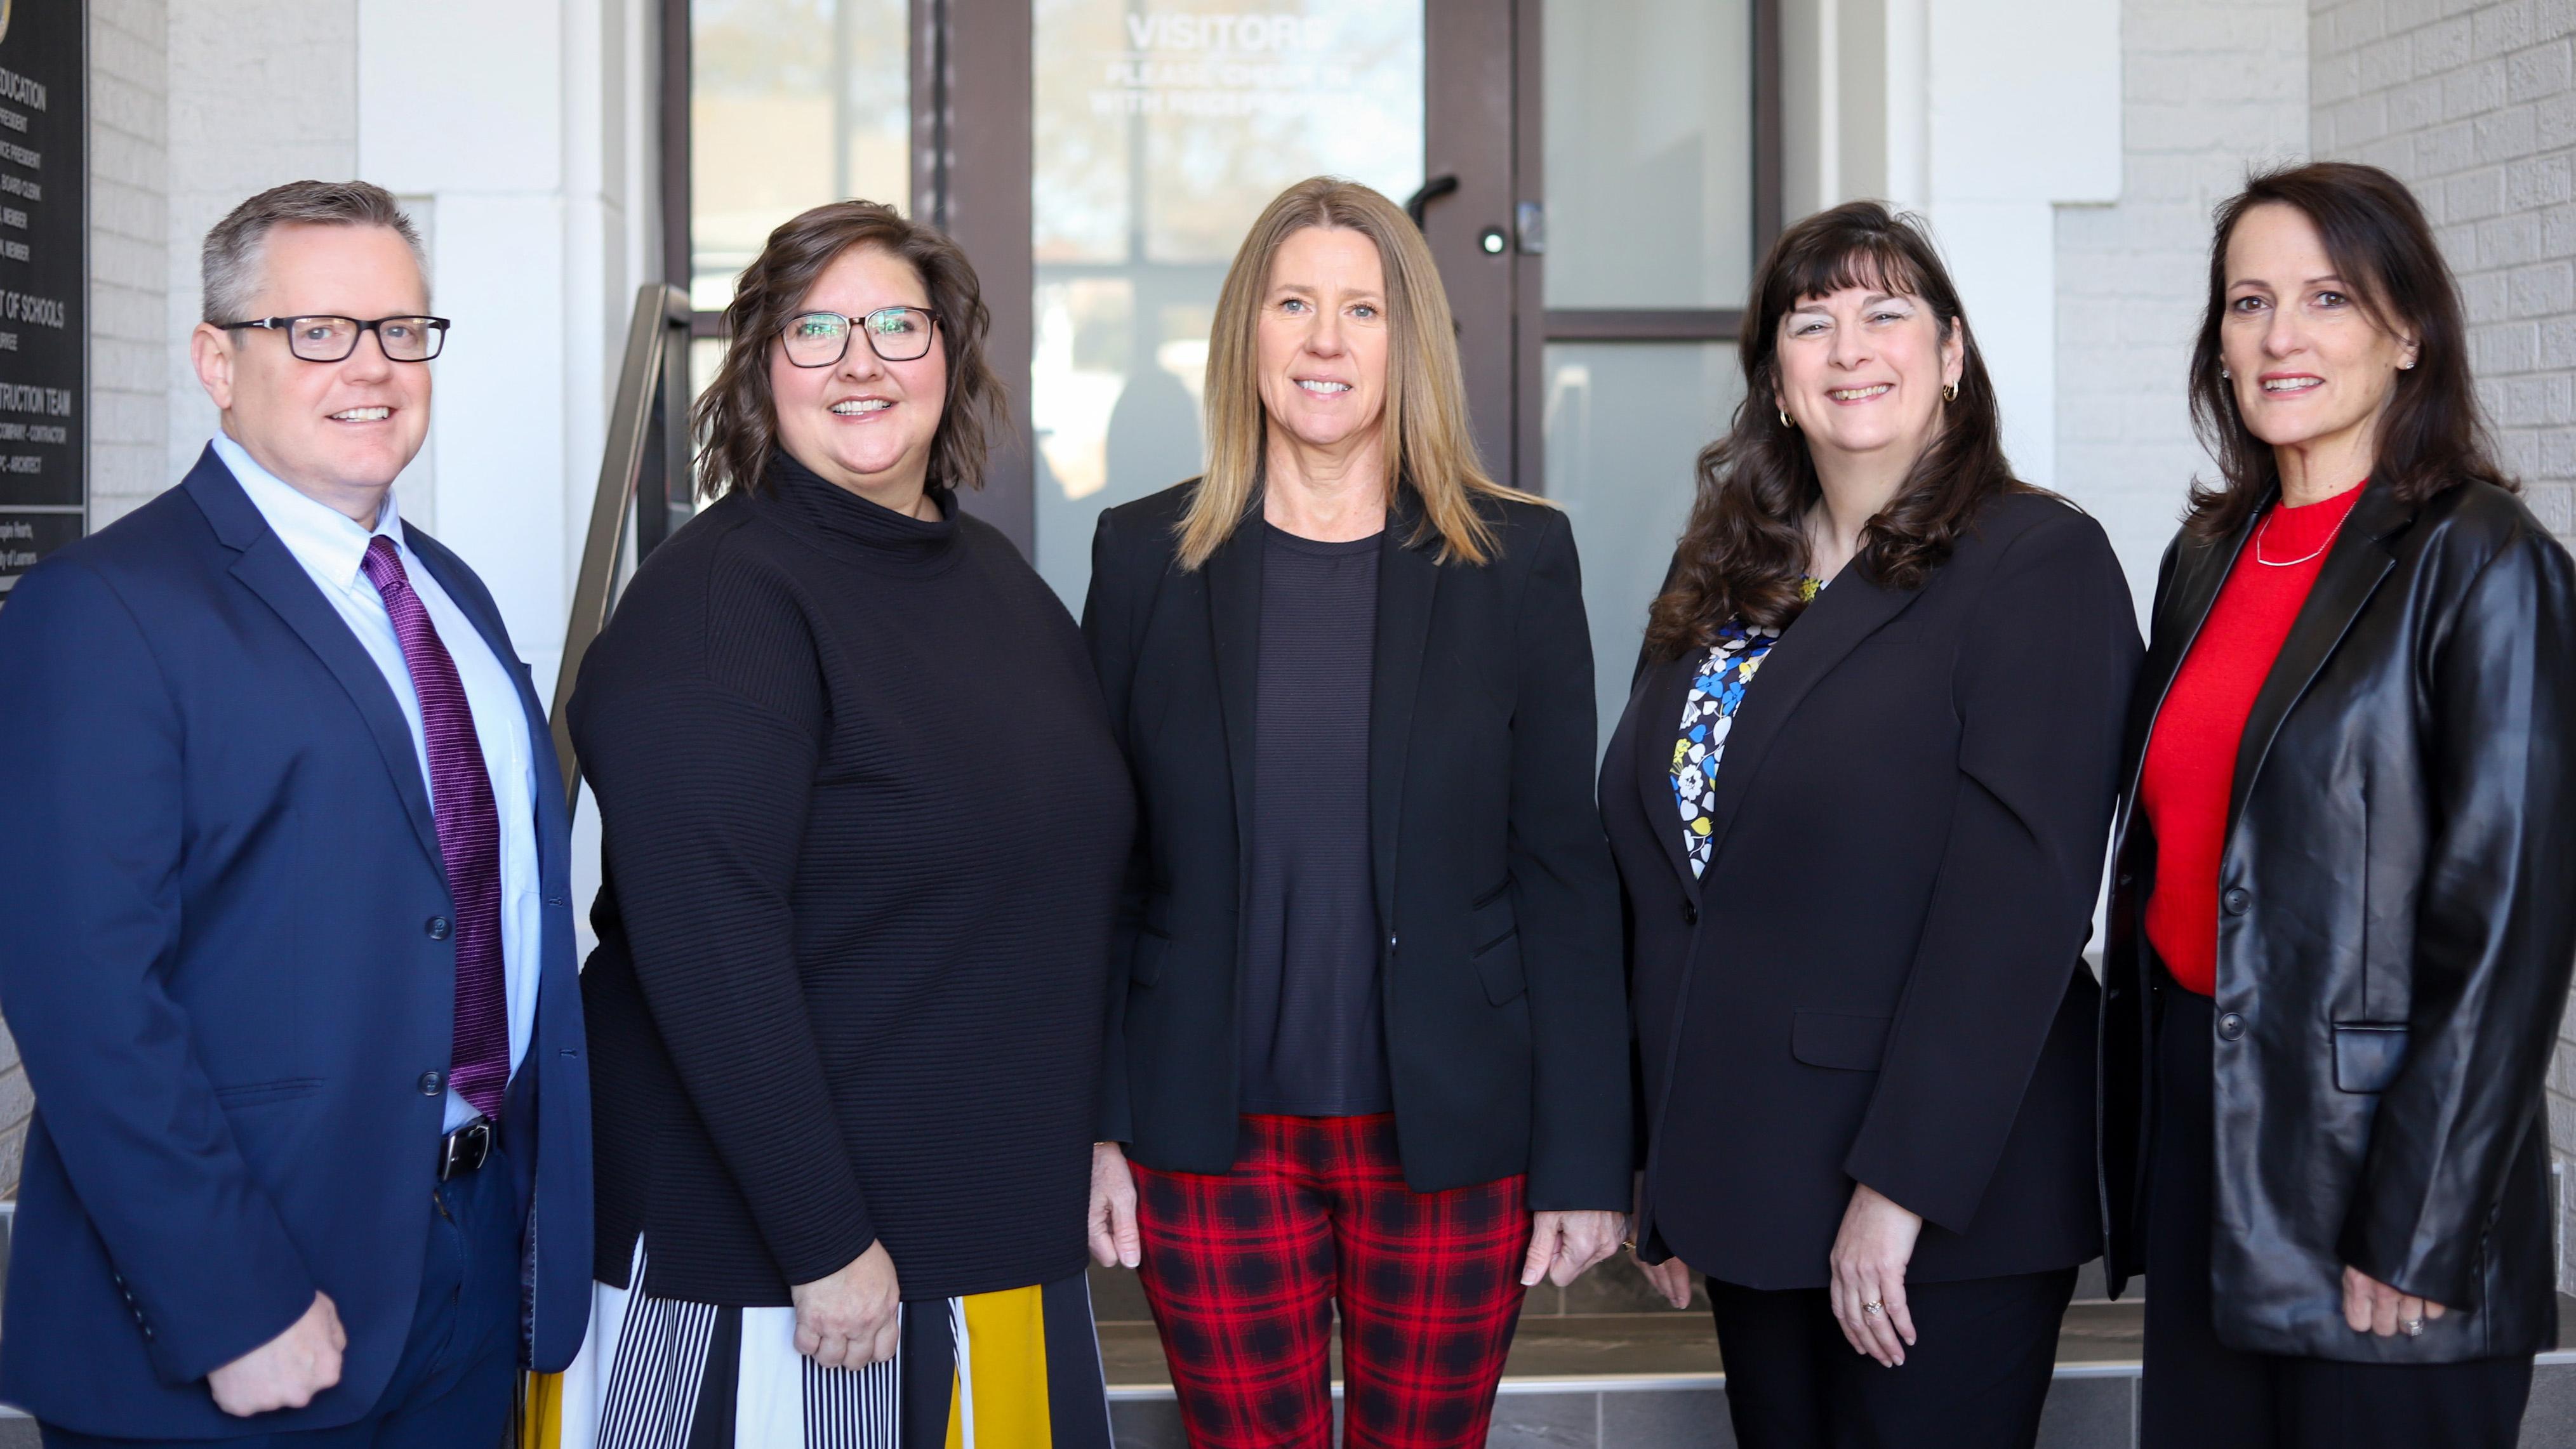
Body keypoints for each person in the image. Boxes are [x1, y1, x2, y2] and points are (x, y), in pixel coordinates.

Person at [0, 180, 592, 1443]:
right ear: (218, 360)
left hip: (468, 1265)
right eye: (316, 330)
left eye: (401, 329)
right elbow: (84, 996)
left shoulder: (453, 596)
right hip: (243, 1311)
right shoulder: (101, 610)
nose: (371, 366)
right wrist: (231, 1303)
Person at [556, 201, 1134, 1449]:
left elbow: (1069, 886)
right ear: (763, 369)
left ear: (948, 353)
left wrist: (1096, 1121)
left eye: (894, 324)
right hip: (776, 1269)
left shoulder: (994, 581)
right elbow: (707, 939)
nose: (860, 360)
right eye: (815, 330)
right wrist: (823, 1237)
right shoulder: (716, 607)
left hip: (991, 1239)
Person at [1080, 176, 1632, 1449]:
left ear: (1410, 339)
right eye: (1293, 303)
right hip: (1203, 1134)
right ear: (1247, 333)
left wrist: (1587, 1158)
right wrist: (1097, 1120)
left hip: (1451, 1125)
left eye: (1362, 309)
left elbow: (1563, 871)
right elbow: (1103, 872)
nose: (1325, 339)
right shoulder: (1142, 559)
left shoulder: (1519, 561)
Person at [1600, 201, 2141, 1449]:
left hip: (1936, 1192)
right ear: (1777, 381)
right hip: (1748, 1169)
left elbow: (2019, 898)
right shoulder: (1727, 578)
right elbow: (1668, 877)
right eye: (1812, 320)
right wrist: (1663, 1163)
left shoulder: (2036, 563)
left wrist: (1899, 1189)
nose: (1851, 347)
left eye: (1886, 312)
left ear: (1951, 355)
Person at [2102, 162, 2576, 1449]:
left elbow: (2507, 929)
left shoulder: (2483, 558)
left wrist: (2418, 1214)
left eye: (2325, 296)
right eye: (2247, 302)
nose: (2280, 336)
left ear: (2405, 327)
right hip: (2211, 1146)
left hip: (2376, 1165)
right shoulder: (2202, 559)